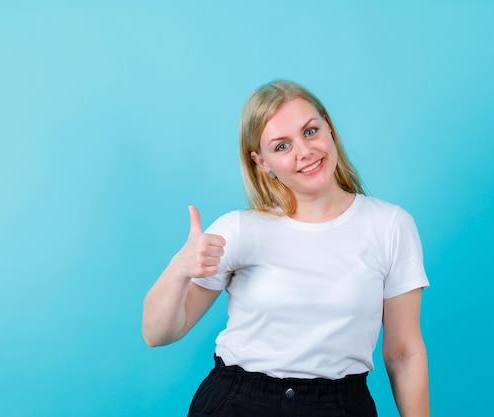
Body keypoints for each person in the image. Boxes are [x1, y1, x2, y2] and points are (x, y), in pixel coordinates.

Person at [142, 80, 430, 417]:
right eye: (282, 146)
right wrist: (178, 269)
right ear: (261, 162)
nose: (304, 152)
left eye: (310, 131)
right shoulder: (238, 229)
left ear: (329, 128)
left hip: (339, 405)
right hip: (238, 402)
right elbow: (157, 334)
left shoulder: (391, 226)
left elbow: (403, 353)